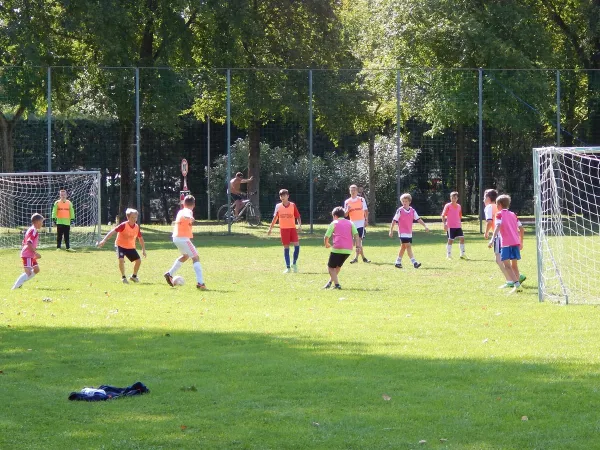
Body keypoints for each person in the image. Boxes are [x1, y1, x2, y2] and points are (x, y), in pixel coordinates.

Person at [164, 195, 207, 290]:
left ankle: (169, 274)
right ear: (194, 204)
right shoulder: (188, 211)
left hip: (176, 238)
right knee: (195, 257)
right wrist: (190, 218)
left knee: (185, 256)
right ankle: (200, 283)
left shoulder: (181, 211)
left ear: (183, 203)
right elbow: (187, 215)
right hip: (183, 238)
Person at [97, 208, 146, 284]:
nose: (134, 219)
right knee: (121, 259)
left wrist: (143, 250)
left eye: (135, 217)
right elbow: (113, 231)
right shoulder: (123, 225)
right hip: (120, 245)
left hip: (130, 247)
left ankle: (134, 276)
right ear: (128, 217)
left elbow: (140, 239)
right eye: (132, 217)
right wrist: (104, 240)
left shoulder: (136, 227)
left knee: (138, 261)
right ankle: (123, 277)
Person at [488, 194, 526, 292]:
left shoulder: (499, 214)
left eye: (496, 204)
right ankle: (517, 286)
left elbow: (498, 226)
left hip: (506, 243)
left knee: (506, 265)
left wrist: (492, 239)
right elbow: (521, 229)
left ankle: (517, 285)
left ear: (499, 204)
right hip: (516, 242)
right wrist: (521, 241)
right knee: (514, 265)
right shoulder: (513, 214)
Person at [389, 193, 429, 268]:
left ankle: (398, 262)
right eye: (403, 201)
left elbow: (418, 219)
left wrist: (425, 226)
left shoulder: (412, 211)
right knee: (408, 246)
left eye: (406, 201)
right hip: (402, 232)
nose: (404, 203)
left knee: (403, 247)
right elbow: (394, 220)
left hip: (409, 232)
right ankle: (414, 263)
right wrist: (391, 230)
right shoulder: (400, 210)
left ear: (409, 202)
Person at [323, 206, 360, 289]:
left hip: (337, 248)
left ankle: (337, 285)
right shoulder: (351, 223)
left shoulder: (334, 223)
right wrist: (358, 246)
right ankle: (329, 283)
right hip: (348, 250)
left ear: (335, 216)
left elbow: (326, 236)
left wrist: (326, 244)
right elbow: (356, 235)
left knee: (330, 267)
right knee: (337, 267)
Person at [483, 189, 513, 287]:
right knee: (507, 257)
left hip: (499, 235)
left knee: (499, 258)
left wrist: (487, 232)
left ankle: (510, 280)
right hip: (507, 233)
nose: (483, 200)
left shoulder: (488, 207)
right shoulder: (498, 206)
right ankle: (516, 276)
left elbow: (489, 221)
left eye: (484, 197)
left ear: (488, 198)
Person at [267, 189, 301, 273]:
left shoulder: (293, 205)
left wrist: (299, 225)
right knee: (286, 247)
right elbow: (275, 218)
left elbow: (298, 216)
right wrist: (270, 228)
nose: (283, 197)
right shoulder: (278, 206)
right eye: (281, 196)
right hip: (283, 230)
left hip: (292, 229)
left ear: (288, 196)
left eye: (284, 195)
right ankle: (288, 267)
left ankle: (294, 263)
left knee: (297, 245)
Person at [12, 213, 44, 290]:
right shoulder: (33, 230)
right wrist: (35, 253)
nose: (42, 224)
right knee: (28, 272)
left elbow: (24, 241)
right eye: (41, 222)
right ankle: (15, 287)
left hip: (30, 254)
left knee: (36, 269)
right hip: (28, 254)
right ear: (37, 222)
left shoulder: (32, 229)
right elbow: (29, 243)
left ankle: (20, 284)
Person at [344, 184, 370, 263]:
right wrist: (347, 210)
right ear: (349, 191)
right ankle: (363, 258)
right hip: (352, 224)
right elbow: (345, 215)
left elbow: (365, 210)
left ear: (357, 191)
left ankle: (356, 258)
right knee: (357, 242)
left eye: (354, 190)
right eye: (351, 190)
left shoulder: (361, 200)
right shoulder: (347, 202)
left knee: (358, 241)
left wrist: (366, 220)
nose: (353, 191)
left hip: (360, 223)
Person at [441, 191, 467, 259]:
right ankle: (448, 255)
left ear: (457, 198)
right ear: (450, 198)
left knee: (462, 238)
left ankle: (462, 254)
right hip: (450, 226)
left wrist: (459, 223)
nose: (453, 199)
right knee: (450, 240)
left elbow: (459, 216)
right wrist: (444, 224)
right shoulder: (448, 206)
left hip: (458, 226)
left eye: (455, 198)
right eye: (452, 198)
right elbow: (443, 215)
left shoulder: (459, 206)